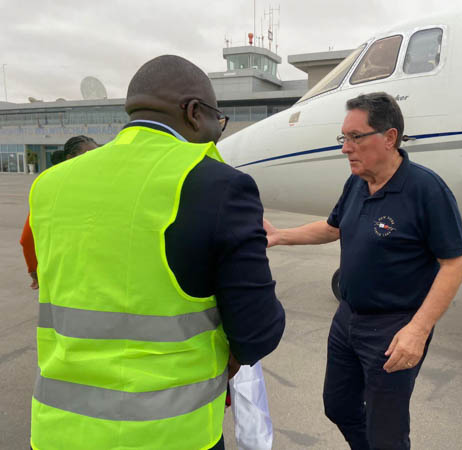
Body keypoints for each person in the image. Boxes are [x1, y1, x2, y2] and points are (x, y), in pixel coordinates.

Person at [28, 55, 285, 450]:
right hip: (169, 434)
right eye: (218, 121)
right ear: (193, 112)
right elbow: (257, 330)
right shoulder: (217, 185)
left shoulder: (50, 184)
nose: (217, 134)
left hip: (58, 431)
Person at [264, 92, 462, 449]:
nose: (346, 148)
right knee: (339, 407)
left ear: (389, 138)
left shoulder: (426, 189)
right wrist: (280, 236)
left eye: (356, 137)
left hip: (394, 329)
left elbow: (454, 264)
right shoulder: (357, 182)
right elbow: (332, 228)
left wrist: (418, 330)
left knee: (387, 433)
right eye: (344, 138)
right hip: (347, 320)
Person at [20, 135, 99, 290]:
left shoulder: (48, 186)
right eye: (89, 156)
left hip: (59, 275)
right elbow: (28, 238)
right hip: (87, 277)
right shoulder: (101, 189)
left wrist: (34, 270)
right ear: (69, 158)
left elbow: (28, 238)